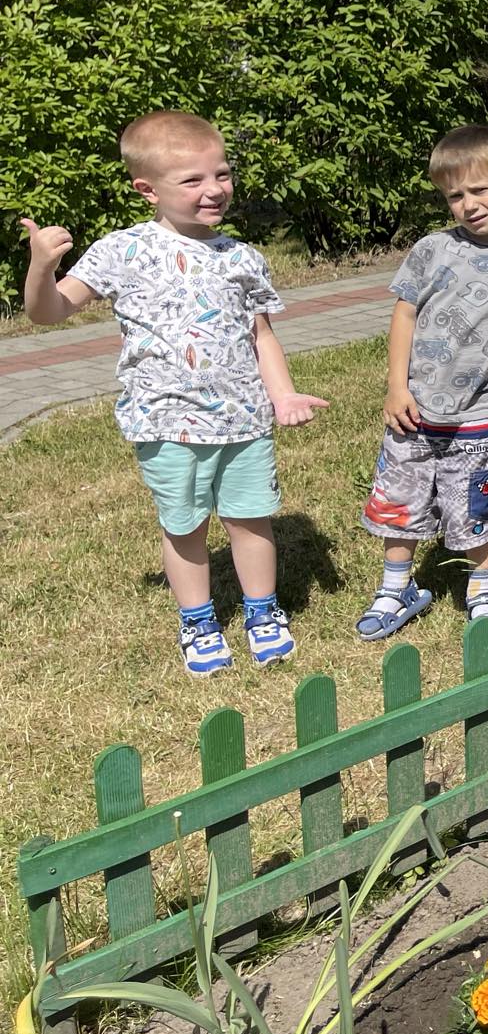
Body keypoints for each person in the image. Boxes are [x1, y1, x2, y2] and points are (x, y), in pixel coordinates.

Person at [20, 111, 327, 674]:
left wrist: (282, 396)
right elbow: (48, 312)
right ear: (147, 190)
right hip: (166, 423)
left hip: (244, 419)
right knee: (184, 524)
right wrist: (41, 267)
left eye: (223, 174)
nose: (214, 190)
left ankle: (262, 610)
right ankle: (199, 621)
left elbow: (262, 335)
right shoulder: (122, 250)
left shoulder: (241, 257)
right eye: (193, 180)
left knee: (251, 518)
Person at [359, 126, 488, 639]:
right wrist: (395, 386)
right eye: (456, 196)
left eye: (480, 190)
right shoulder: (432, 250)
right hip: (414, 413)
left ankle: (481, 587)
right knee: (399, 499)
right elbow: (404, 315)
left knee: (476, 504)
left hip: (478, 418)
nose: (469, 205)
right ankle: (396, 588)